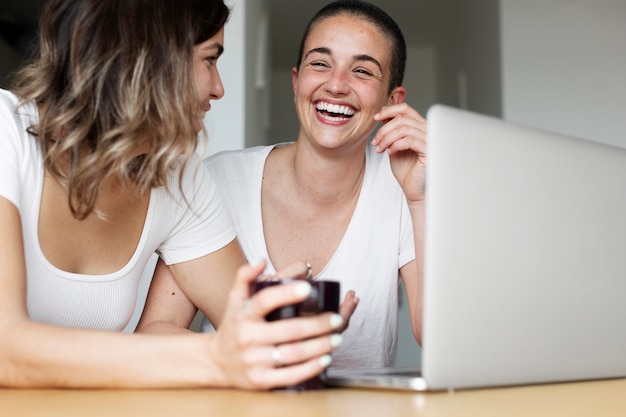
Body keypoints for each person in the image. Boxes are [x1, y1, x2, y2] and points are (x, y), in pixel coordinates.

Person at [0, 0, 343, 389]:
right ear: (149, 57)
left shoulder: (179, 176)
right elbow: (5, 349)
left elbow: (247, 330)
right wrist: (213, 356)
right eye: (209, 60)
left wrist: (290, 331)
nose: (218, 88)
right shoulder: (5, 135)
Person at [142, 0, 426, 369]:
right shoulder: (215, 181)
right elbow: (155, 332)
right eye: (320, 63)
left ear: (391, 102)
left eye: (362, 71)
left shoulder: (402, 191)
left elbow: (439, 340)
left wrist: (421, 199)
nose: (336, 85)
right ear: (296, 82)